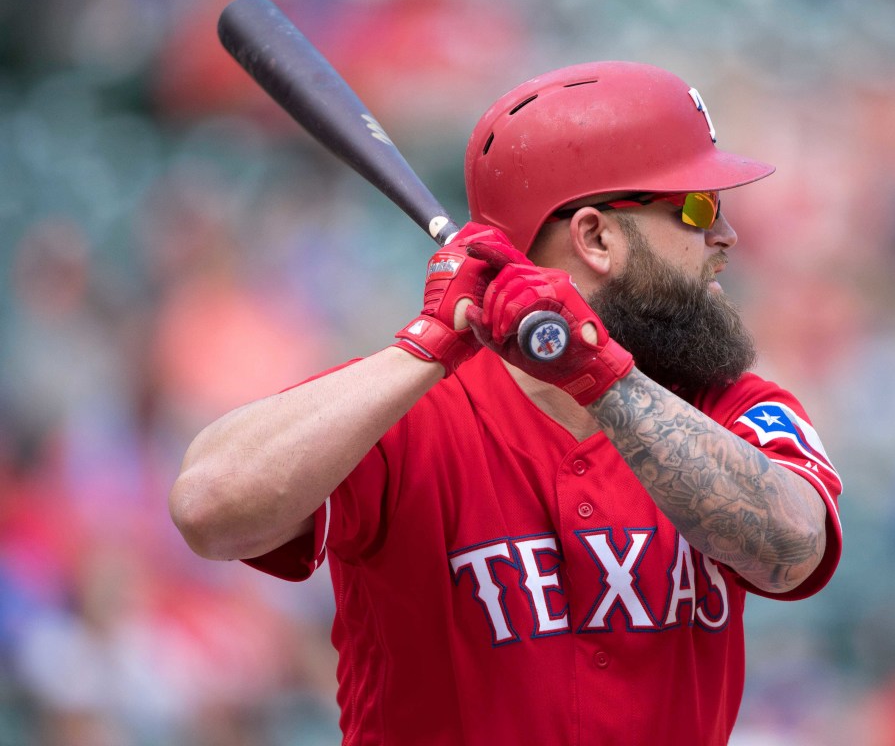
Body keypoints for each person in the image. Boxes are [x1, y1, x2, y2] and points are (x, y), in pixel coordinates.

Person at [169, 61, 844, 746]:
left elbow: (789, 549)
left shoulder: (724, 406)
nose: (725, 236)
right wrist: (426, 344)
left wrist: (600, 376)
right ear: (596, 237)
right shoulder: (407, 406)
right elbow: (207, 512)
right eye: (697, 208)